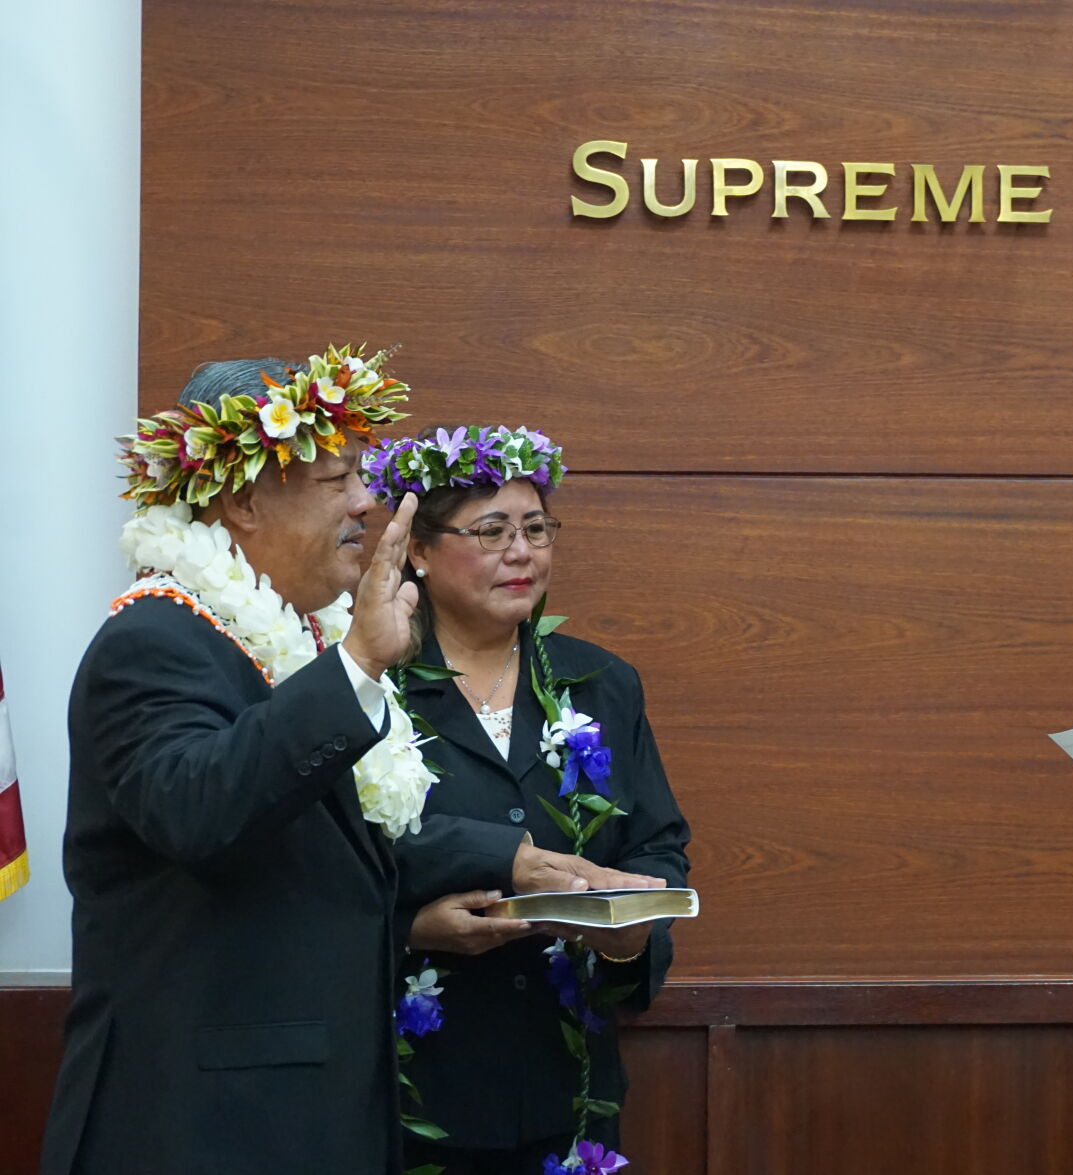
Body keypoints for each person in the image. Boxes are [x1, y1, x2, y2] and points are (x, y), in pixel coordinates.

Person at [43, 346, 433, 1173]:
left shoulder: (294, 644)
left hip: (303, 1119)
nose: (367, 501)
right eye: (339, 480)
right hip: (201, 1128)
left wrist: (517, 862)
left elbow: (336, 832)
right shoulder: (150, 641)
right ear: (246, 500)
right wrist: (359, 661)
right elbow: (201, 807)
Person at [361, 425, 691, 1174]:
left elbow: (657, 846)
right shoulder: (367, 686)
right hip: (410, 1087)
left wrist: (632, 934)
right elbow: (323, 866)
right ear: (417, 548)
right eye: (492, 530)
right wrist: (409, 930)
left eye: (536, 528)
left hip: (564, 1091)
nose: (522, 552)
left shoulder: (601, 682)